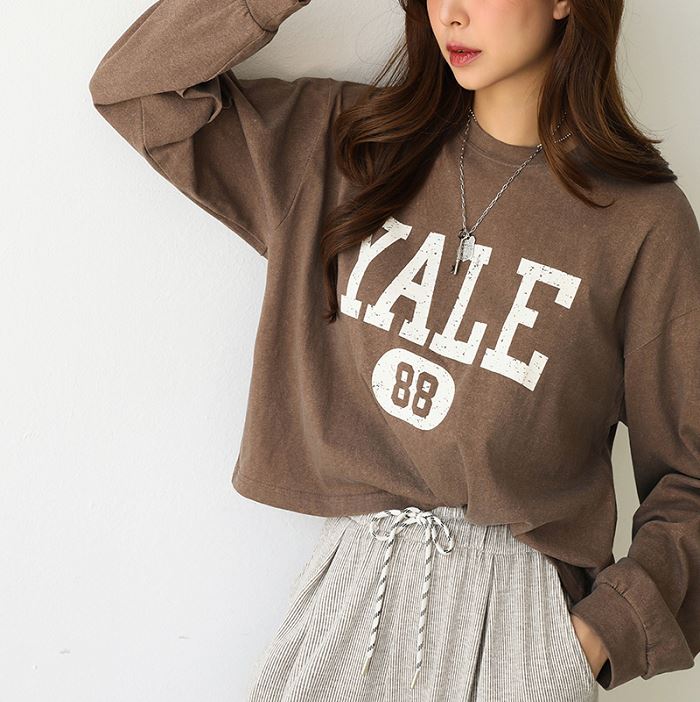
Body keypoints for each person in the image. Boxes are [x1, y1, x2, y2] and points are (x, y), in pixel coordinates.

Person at [88, 0, 700, 699]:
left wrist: (594, 639)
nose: (453, 13)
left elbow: (691, 476)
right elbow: (136, 89)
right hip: (349, 594)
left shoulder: (641, 223)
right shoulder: (347, 145)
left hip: (521, 623)